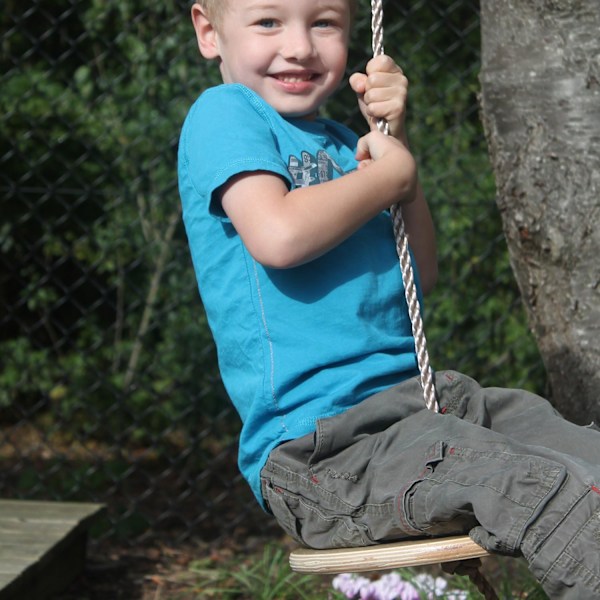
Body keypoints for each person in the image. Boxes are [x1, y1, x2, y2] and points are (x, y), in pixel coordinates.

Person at [178, 1, 600, 597]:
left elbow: (418, 273)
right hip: (325, 453)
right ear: (208, 31)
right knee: (536, 488)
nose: (299, 46)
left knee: (581, 454)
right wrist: (383, 178)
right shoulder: (223, 114)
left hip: (428, 410)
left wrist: (391, 143)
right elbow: (278, 235)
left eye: (323, 22)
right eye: (269, 21)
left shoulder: (346, 146)